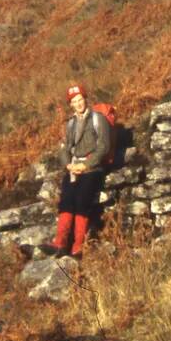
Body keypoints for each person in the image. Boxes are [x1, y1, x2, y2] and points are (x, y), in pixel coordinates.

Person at [40, 83, 111, 260]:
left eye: (80, 100)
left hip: (92, 169)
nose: (78, 104)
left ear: (85, 100)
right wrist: (68, 165)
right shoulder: (71, 124)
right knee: (66, 201)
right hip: (74, 168)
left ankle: (78, 245)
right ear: (70, 104)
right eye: (74, 101)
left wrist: (86, 165)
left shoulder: (97, 119)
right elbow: (64, 148)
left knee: (81, 201)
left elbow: (104, 146)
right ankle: (60, 242)